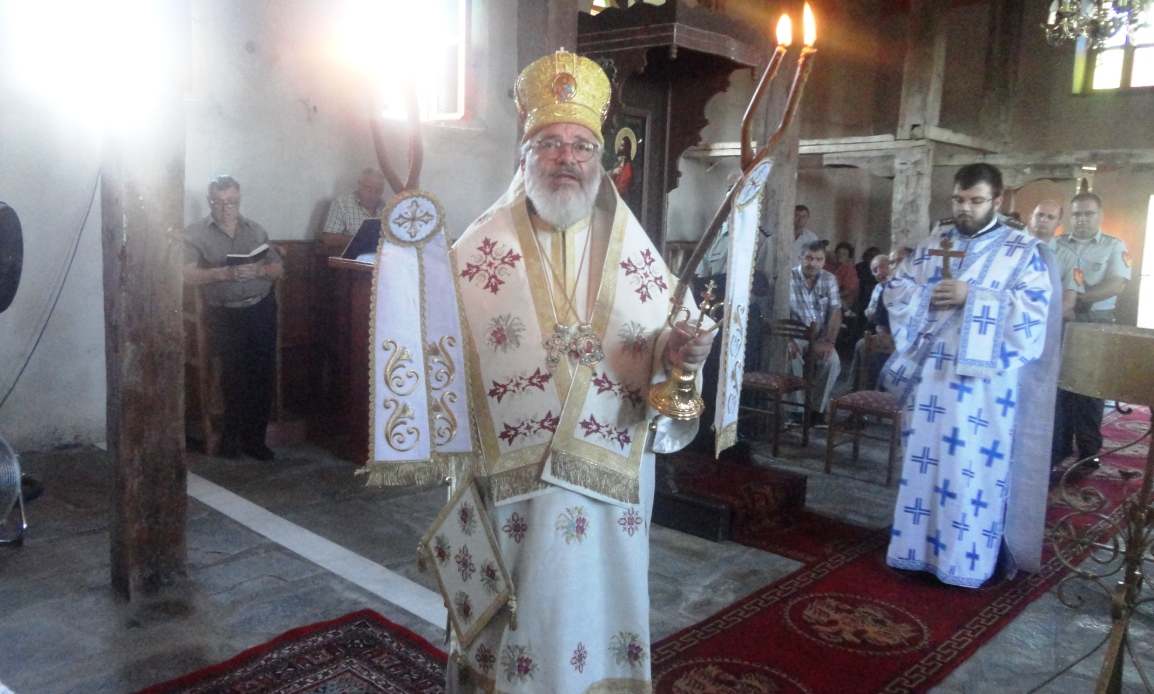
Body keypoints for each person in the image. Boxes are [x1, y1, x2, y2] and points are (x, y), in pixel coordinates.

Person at [446, 51, 713, 693]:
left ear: (602, 161)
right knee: (515, 618)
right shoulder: (473, 253)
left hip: (607, 481)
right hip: (514, 486)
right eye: (550, 144)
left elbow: (668, 343)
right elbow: (442, 364)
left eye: (581, 146)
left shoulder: (634, 253)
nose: (566, 158)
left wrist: (679, 355)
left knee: (597, 609)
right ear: (525, 157)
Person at [881, 163, 1059, 587]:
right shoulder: (933, 246)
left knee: (970, 471)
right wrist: (927, 296)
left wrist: (972, 296)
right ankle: (915, 553)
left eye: (976, 201)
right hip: (931, 384)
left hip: (983, 392)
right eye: (959, 200)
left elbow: (1034, 315)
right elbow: (897, 289)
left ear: (997, 201)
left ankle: (966, 562)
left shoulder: (1023, 251)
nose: (965, 208)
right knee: (923, 467)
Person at [183, 176, 284, 461]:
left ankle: (256, 440)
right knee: (234, 374)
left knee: (262, 373)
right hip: (224, 312)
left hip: (260, 306)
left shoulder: (255, 230)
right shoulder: (195, 233)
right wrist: (223, 273)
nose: (226, 209)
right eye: (219, 203)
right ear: (209, 201)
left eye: (232, 202)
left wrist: (260, 270)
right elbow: (186, 274)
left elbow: (278, 268)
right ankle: (231, 438)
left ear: (239, 200)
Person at [1050, 192, 1130, 474]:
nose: (1081, 219)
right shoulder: (1055, 244)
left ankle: (1088, 452)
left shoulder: (1113, 246)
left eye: (1088, 214)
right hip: (1060, 320)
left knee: (1089, 390)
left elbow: (1117, 284)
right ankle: (1058, 447)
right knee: (1059, 387)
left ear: (1100, 216)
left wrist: (1077, 300)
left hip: (1095, 321)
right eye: (1076, 214)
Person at [789, 241, 842, 426]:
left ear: (824, 261)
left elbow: (835, 311)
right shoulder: (788, 277)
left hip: (819, 337)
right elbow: (777, 308)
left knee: (832, 361)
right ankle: (796, 411)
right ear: (800, 258)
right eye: (809, 258)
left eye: (819, 259)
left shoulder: (829, 279)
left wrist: (829, 341)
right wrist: (788, 339)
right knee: (791, 358)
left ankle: (816, 410)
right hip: (793, 335)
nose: (813, 264)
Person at [848, 252, 894, 391]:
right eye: (875, 270)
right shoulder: (880, 288)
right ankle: (856, 390)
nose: (879, 272)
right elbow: (873, 315)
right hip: (885, 332)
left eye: (883, 267)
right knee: (863, 345)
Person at [322, 167, 387, 238]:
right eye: (368, 189)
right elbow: (329, 237)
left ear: (382, 191)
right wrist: (360, 240)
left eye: (377, 191)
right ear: (359, 185)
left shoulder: (386, 207)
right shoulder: (342, 203)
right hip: (352, 245)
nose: (372, 194)